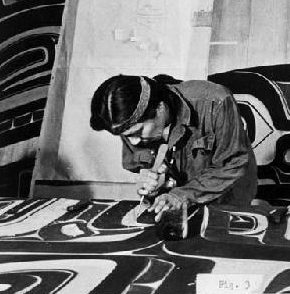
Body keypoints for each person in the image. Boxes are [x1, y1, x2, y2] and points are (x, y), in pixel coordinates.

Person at [90, 74, 258, 221]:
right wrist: (149, 182)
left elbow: (233, 164)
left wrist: (182, 195)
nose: (133, 142)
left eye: (139, 131)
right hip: (175, 203)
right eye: (127, 136)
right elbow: (145, 167)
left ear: (160, 108)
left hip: (227, 197)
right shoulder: (130, 119)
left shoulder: (216, 102)